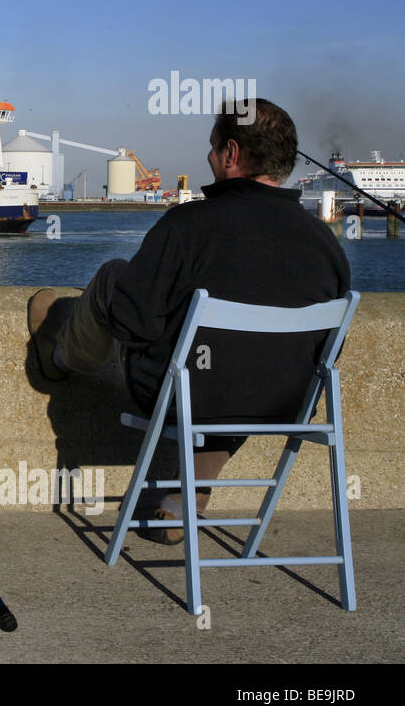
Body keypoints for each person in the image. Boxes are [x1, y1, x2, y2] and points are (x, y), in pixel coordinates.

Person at [28, 98, 349, 542]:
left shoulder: (187, 225)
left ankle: (58, 357)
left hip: (186, 397)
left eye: (214, 147)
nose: (208, 157)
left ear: (233, 154)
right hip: (286, 407)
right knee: (241, 370)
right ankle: (187, 496)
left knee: (113, 278)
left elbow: (133, 324)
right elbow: (324, 347)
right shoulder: (325, 243)